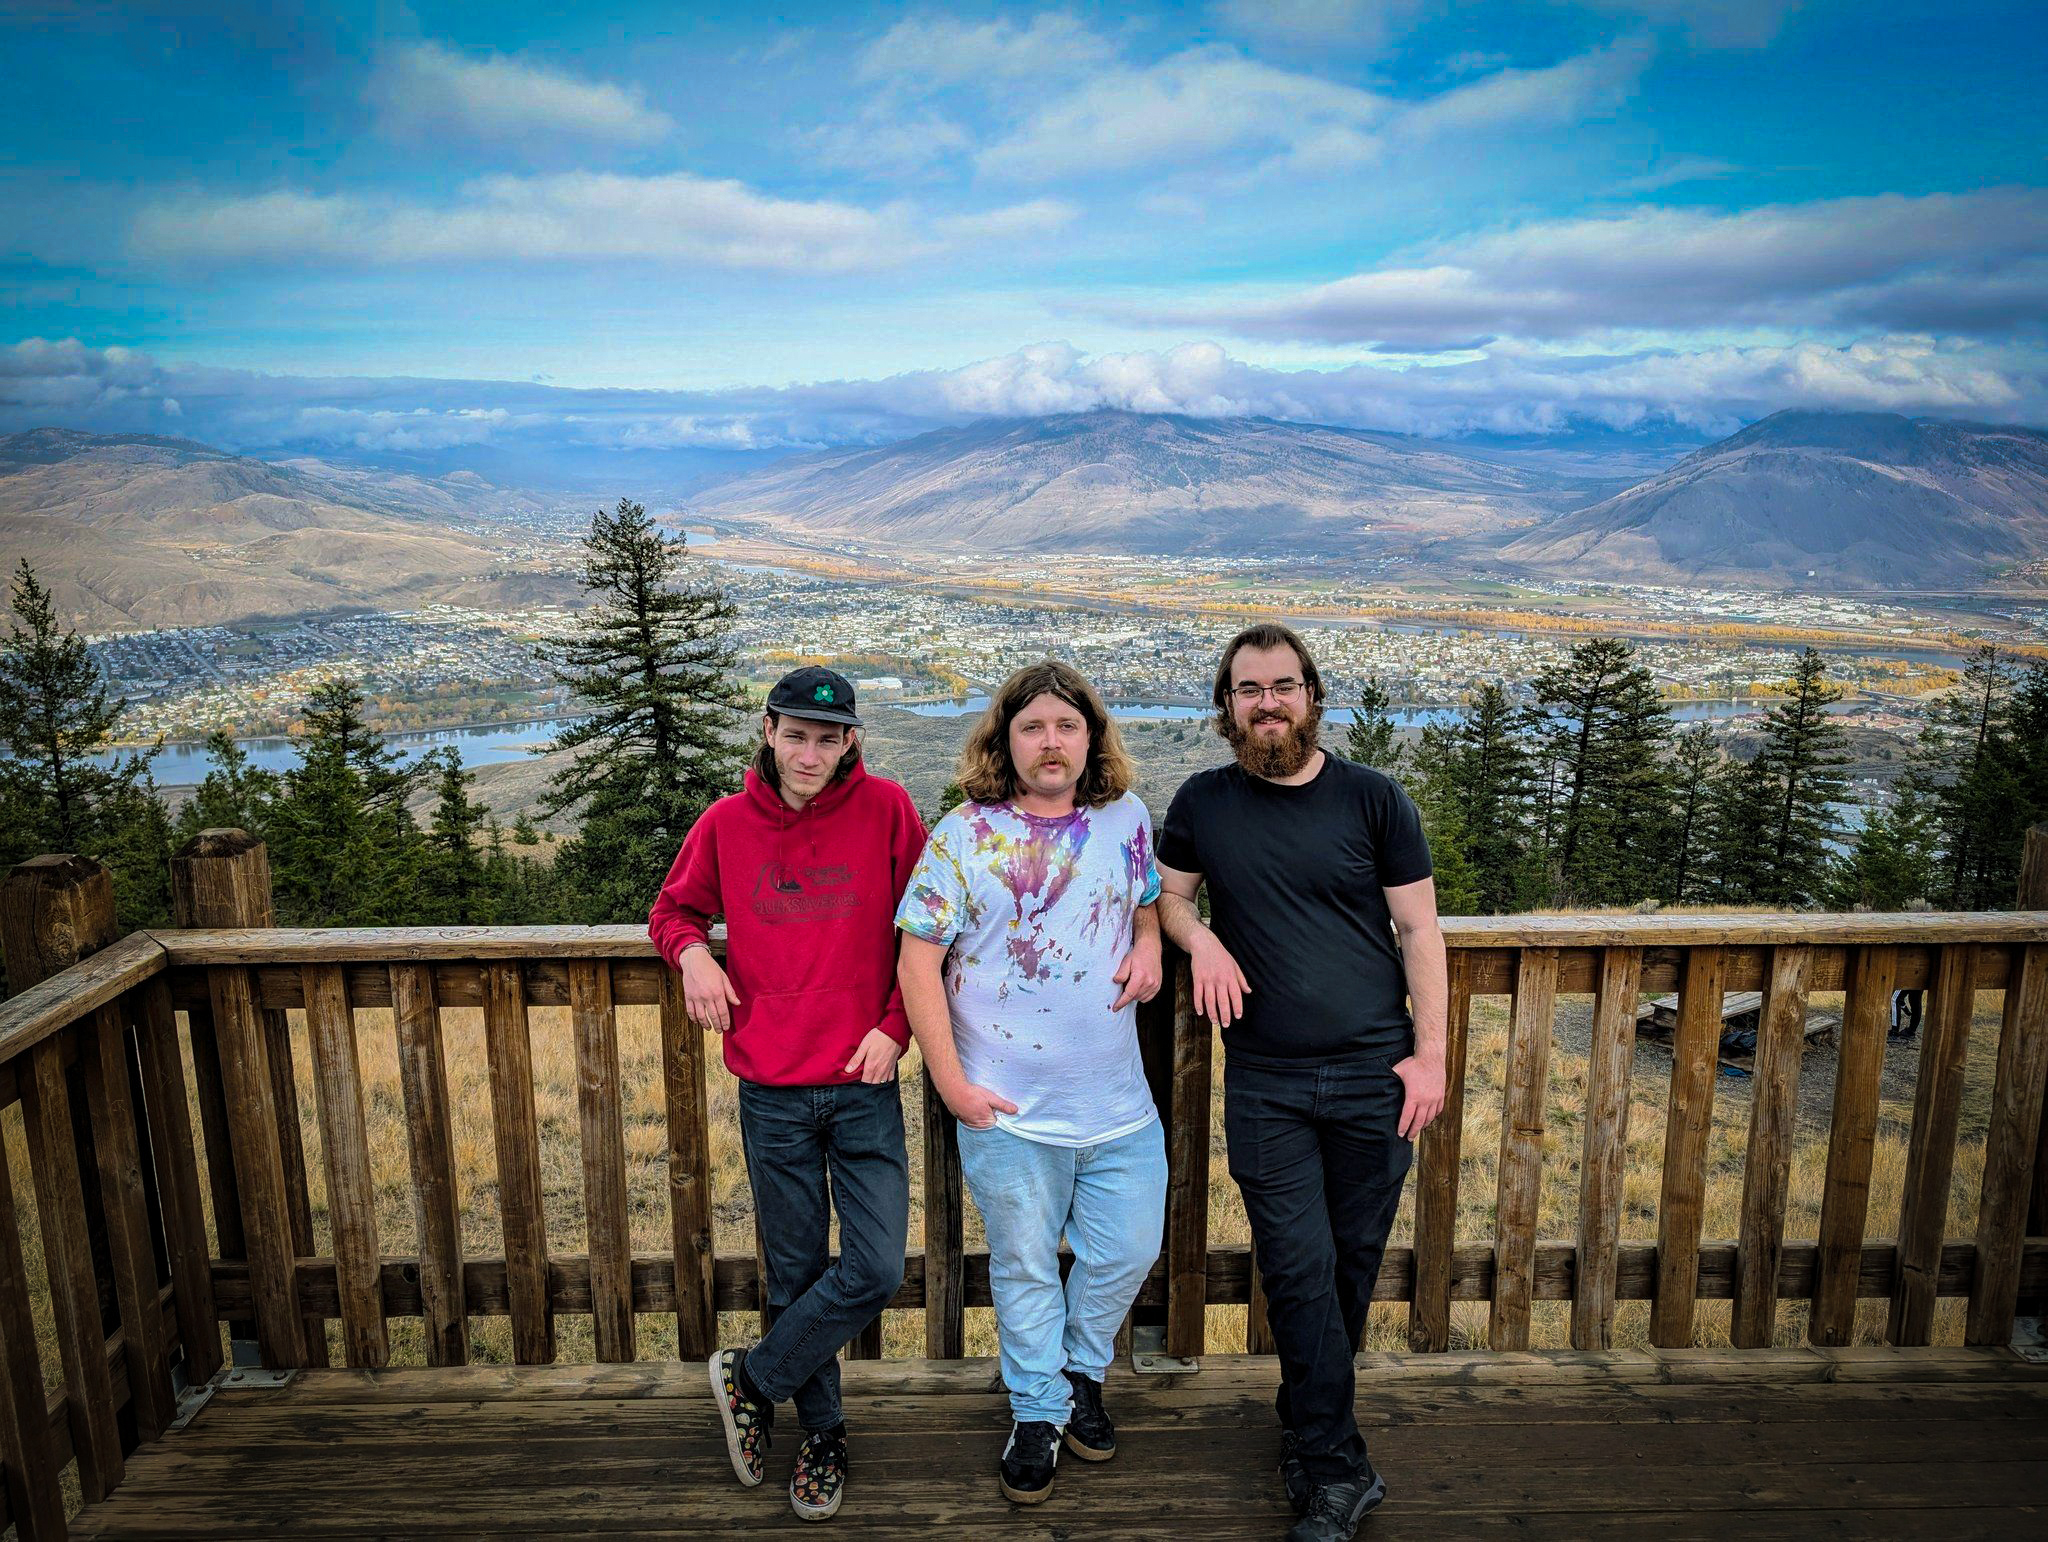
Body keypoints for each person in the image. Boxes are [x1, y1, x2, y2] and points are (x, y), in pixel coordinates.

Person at [1154, 622, 1447, 1542]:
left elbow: (1422, 935)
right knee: (1298, 1267)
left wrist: (1430, 1058)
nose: (1267, 702)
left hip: (1375, 1076)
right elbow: (1167, 896)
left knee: (1348, 1267)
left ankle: (1307, 1418)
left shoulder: (1374, 800)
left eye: (1283, 685)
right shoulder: (1204, 801)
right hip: (1267, 1080)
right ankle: (1335, 1468)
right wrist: (1198, 939)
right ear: (1227, 706)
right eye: (1249, 689)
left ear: (1312, 695)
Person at [647, 665, 927, 1523]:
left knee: (875, 1267)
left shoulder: (888, 812)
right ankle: (824, 1434)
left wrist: (896, 1026)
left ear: (852, 743)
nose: (811, 752)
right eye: (796, 734)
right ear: (768, 732)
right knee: (796, 1271)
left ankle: (754, 1378)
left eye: (829, 737)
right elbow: (672, 910)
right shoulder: (727, 823)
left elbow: (927, 926)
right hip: (770, 1088)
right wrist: (692, 953)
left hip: (863, 1080)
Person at [895, 659, 1166, 1507]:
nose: (1052, 743)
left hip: (1120, 1104)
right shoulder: (964, 834)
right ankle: (1039, 1412)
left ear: (1091, 739)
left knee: (1127, 1249)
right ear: (1004, 741)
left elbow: (1145, 897)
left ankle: (1081, 1370)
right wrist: (952, 1085)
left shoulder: (1125, 818)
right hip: (1007, 1109)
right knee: (1022, 1268)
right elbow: (916, 961)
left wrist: (1152, 940)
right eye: (1033, 728)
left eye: (1067, 727)